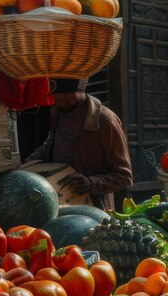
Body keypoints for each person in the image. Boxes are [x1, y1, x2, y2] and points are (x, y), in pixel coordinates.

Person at [25, 78, 133, 210]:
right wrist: (25, 166)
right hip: (60, 202)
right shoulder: (57, 112)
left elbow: (124, 177)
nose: (52, 100)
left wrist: (91, 182)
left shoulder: (105, 122)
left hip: (93, 208)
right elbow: (52, 146)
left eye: (55, 95)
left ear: (72, 92)